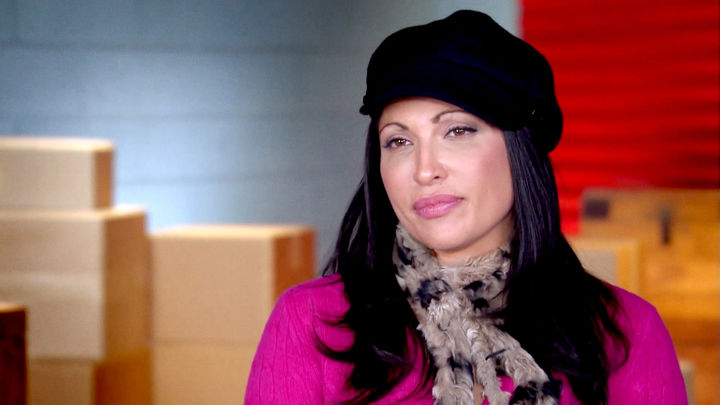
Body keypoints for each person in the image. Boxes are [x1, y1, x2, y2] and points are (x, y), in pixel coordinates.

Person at [245, 10, 687, 405]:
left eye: (457, 131)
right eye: (398, 141)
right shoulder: (312, 322)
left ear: (520, 149)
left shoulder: (625, 332)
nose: (424, 170)